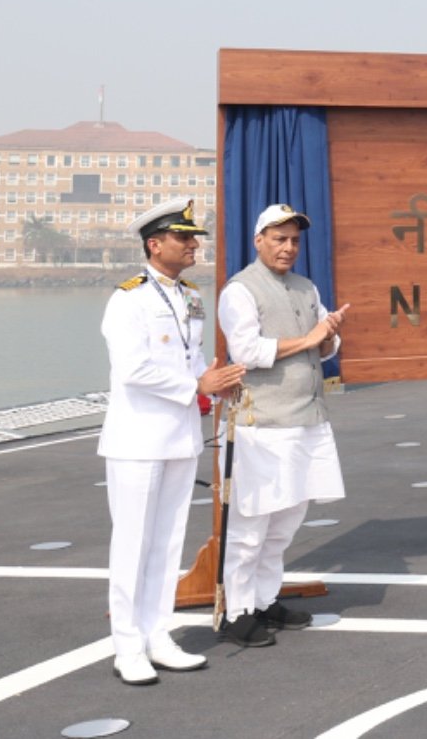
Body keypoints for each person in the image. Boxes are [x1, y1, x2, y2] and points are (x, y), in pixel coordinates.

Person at [99, 197, 245, 686]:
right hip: (137, 438)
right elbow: (133, 369)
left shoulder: (191, 297)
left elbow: (192, 356)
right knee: (133, 545)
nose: (192, 245)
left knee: (167, 542)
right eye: (182, 238)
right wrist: (196, 385)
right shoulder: (128, 299)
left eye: (193, 238)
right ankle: (128, 646)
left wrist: (216, 382)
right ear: (154, 245)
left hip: (180, 436)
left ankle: (158, 636)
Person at [218, 204, 349, 646]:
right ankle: (236, 612)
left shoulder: (306, 287)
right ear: (259, 241)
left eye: (294, 240)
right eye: (279, 239)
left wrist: (329, 334)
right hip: (263, 423)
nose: (288, 247)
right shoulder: (240, 290)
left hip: (306, 418)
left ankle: (263, 599)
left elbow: (326, 346)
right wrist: (310, 338)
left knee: (288, 519)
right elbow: (246, 351)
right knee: (251, 525)